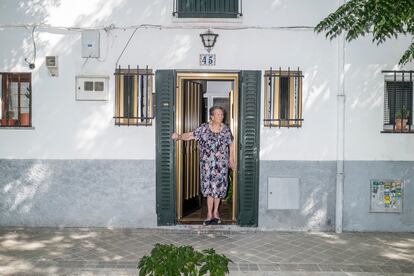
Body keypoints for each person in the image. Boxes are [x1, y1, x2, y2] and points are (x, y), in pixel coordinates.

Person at [172, 106, 235, 225]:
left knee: (219, 190)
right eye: (218, 114)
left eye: (222, 114)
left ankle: (216, 212)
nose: (221, 116)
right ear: (212, 116)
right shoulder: (204, 128)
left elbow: (231, 144)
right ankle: (209, 214)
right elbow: (191, 135)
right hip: (207, 165)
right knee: (209, 189)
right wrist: (179, 136)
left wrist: (231, 160)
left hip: (221, 166)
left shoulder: (226, 129)